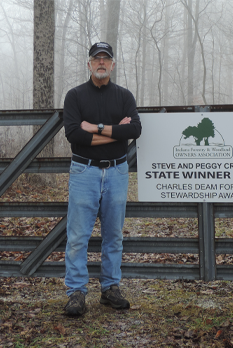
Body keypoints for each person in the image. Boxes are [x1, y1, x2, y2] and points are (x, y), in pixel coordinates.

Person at [62, 42, 142, 316]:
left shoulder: (124, 95)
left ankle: (110, 289)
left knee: (113, 235)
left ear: (113, 64)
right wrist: (114, 131)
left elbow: (135, 129)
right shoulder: (74, 96)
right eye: (96, 58)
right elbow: (74, 134)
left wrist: (95, 128)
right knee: (77, 236)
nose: (101, 62)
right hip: (84, 171)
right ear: (89, 64)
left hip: (117, 171)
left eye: (106, 59)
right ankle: (76, 292)